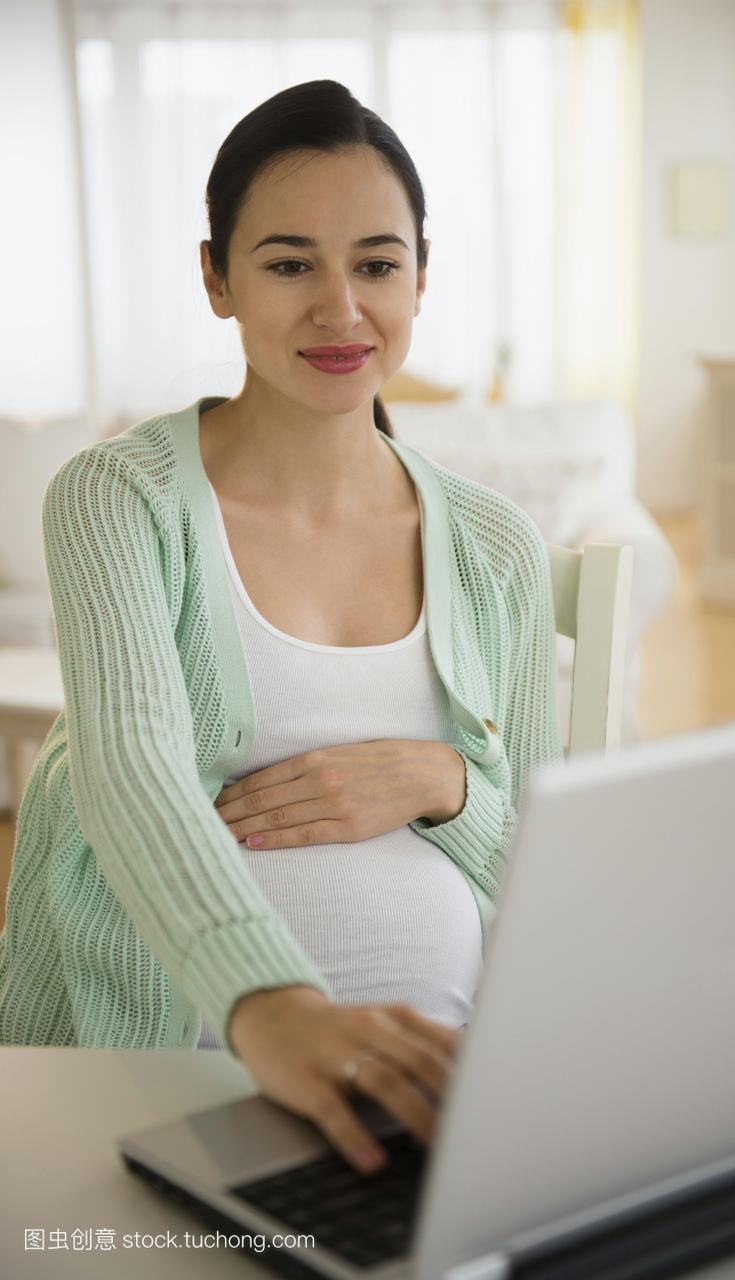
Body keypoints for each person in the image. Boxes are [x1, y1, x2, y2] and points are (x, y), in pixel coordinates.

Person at [0, 81, 564, 1174]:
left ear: (422, 275)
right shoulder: (117, 498)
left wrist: (447, 779)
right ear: (217, 278)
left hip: (442, 1104)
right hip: (170, 1076)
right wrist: (278, 1008)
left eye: (378, 264)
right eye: (291, 262)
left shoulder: (497, 548)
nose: (343, 311)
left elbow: (546, 863)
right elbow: (132, 776)